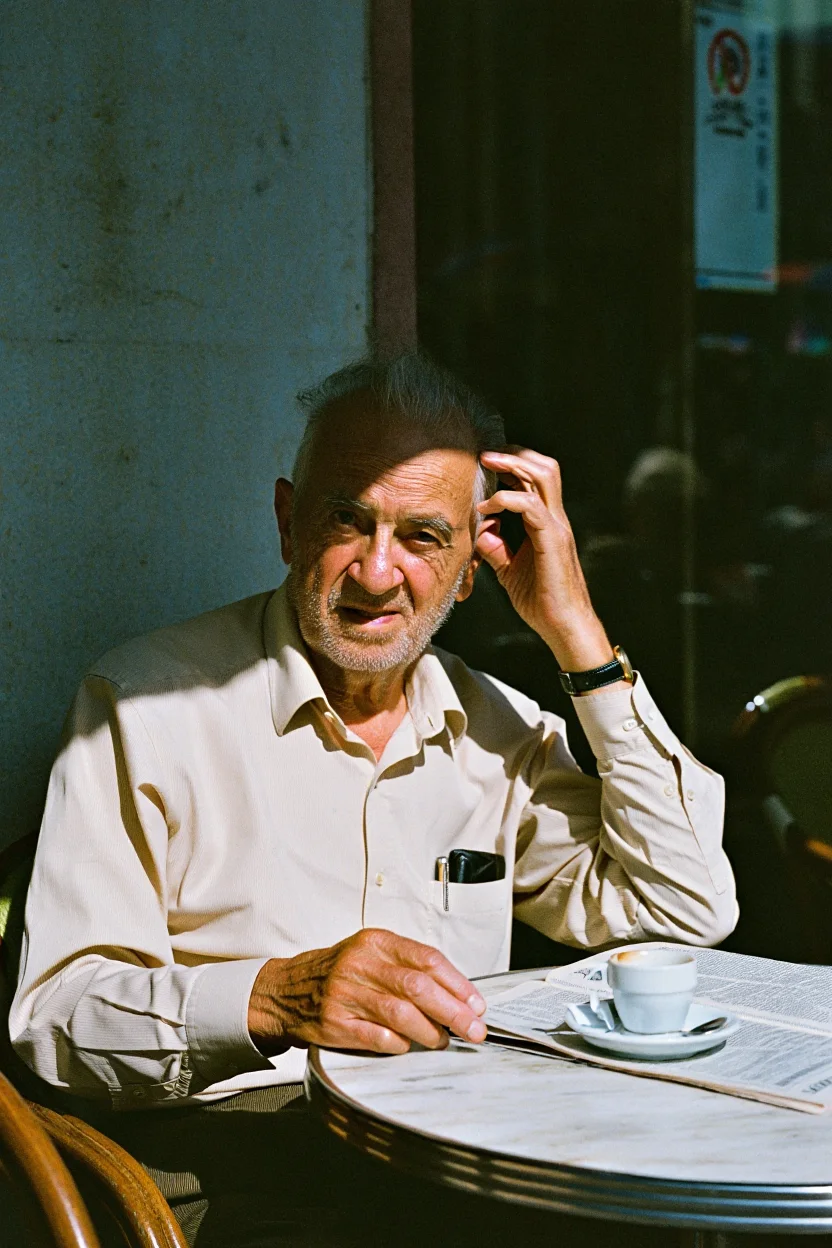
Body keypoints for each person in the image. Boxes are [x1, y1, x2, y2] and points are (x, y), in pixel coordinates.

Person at [9, 352, 737, 1246]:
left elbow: (684, 907)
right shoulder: (146, 702)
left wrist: (577, 633)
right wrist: (274, 997)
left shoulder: (495, 724)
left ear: (473, 567)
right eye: (346, 521)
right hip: (225, 1152)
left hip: (452, 1143)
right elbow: (55, 1019)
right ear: (287, 523)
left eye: (426, 537)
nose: (377, 572)